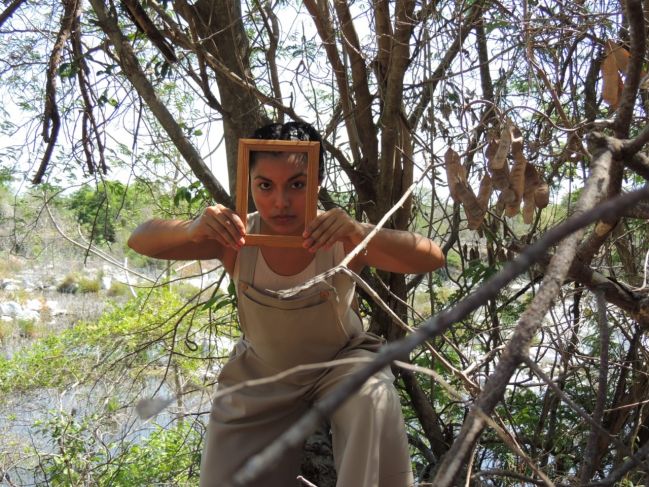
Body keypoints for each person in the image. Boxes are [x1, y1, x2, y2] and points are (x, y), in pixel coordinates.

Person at [128, 121, 445, 487]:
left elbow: (431, 257)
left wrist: (360, 232)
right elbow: (139, 240)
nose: (280, 202)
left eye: (296, 184)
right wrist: (191, 228)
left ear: (318, 183)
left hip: (341, 363)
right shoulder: (235, 239)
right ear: (249, 184)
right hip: (262, 372)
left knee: (371, 397)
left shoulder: (341, 237)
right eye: (265, 185)